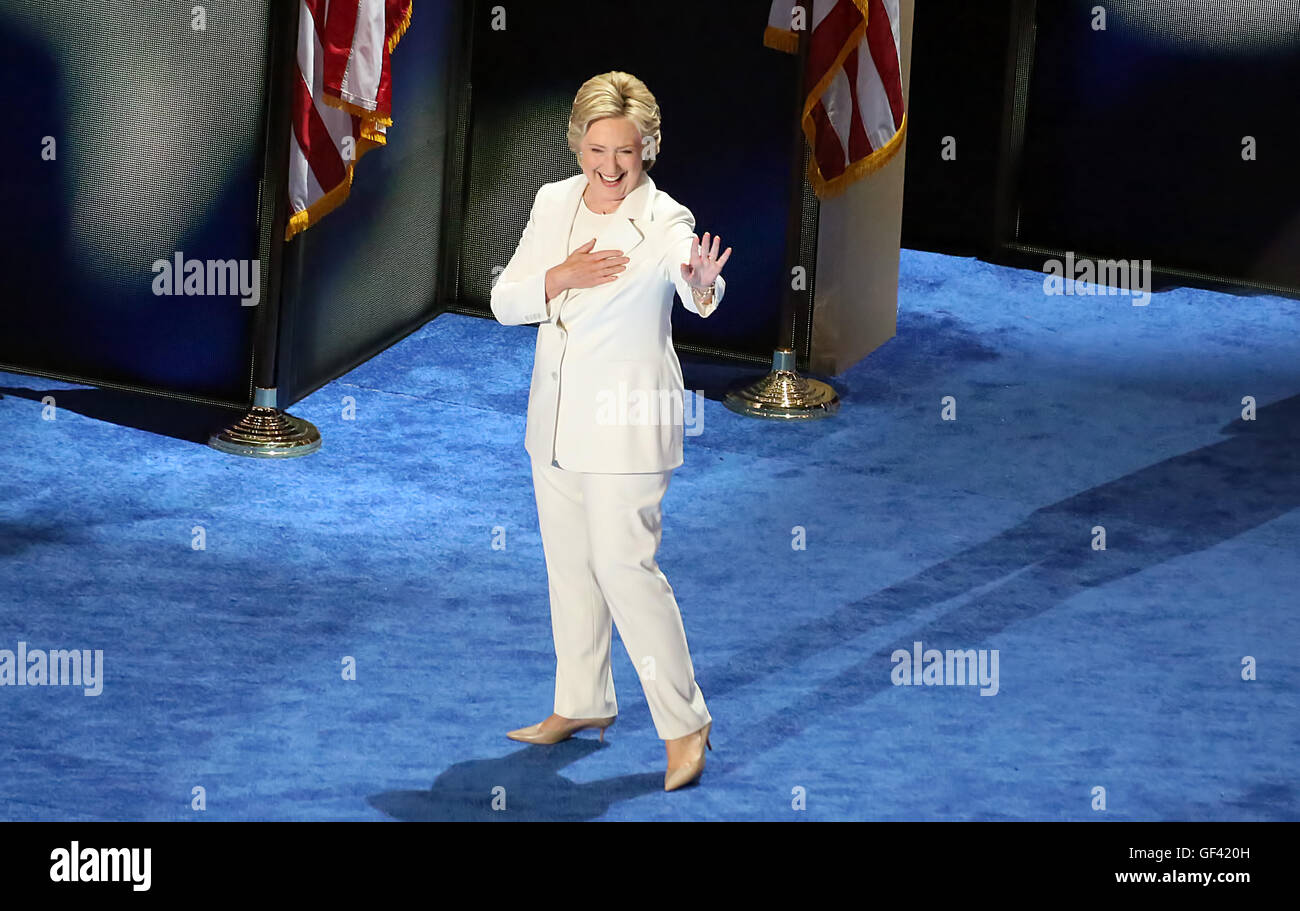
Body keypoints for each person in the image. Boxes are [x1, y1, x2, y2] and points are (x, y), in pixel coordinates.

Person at [490, 71, 732, 791]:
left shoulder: (665, 220)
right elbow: (506, 301)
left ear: (648, 147)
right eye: (597, 147)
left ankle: (686, 722)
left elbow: (693, 284)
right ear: (577, 142)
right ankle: (582, 701)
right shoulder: (553, 201)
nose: (610, 165)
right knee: (571, 567)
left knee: (626, 569)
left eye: (626, 150)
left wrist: (701, 281)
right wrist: (558, 276)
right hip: (556, 421)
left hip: (627, 426)